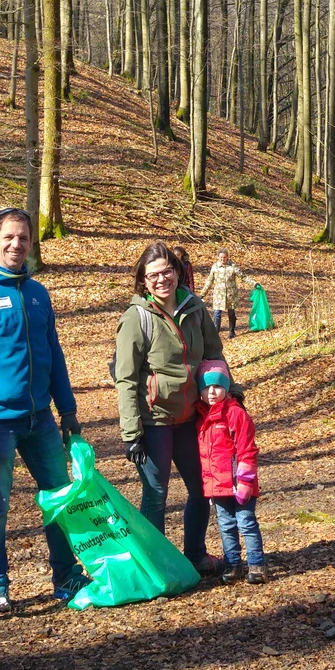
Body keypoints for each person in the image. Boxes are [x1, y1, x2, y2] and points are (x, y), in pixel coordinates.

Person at [0, 206, 90, 614]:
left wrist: (68, 410)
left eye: (23, 238)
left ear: (31, 243)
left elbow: (54, 354)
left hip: (40, 418)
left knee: (59, 498)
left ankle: (66, 575)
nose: (16, 244)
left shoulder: (37, 294)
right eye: (9, 237)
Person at [111, 240, 227, 575]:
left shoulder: (196, 308)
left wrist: (231, 393)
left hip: (191, 417)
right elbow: (126, 379)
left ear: (177, 272)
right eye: (153, 275)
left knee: (201, 488)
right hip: (154, 421)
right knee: (156, 494)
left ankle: (195, 556)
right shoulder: (136, 318)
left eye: (167, 271)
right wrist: (131, 433)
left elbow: (214, 356)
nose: (162, 279)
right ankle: (157, 567)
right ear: (143, 281)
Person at [196, 360, 266, 583]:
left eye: (217, 386)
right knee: (226, 525)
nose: (211, 392)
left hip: (239, 482)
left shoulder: (236, 414)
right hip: (217, 485)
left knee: (246, 522)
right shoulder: (201, 418)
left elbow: (247, 449)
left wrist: (245, 481)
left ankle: (256, 565)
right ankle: (233, 565)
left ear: (226, 388)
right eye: (206, 387)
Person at [197, 251, 253, 339]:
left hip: (231, 295)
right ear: (218, 257)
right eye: (221, 257)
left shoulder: (233, 266)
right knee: (217, 313)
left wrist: (254, 284)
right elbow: (209, 281)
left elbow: (243, 277)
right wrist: (202, 294)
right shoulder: (215, 267)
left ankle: (231, 331)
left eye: (224, 257)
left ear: (227, 257)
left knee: (231, 313)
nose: (223, 259)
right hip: (219, 295)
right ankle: (215, 334)